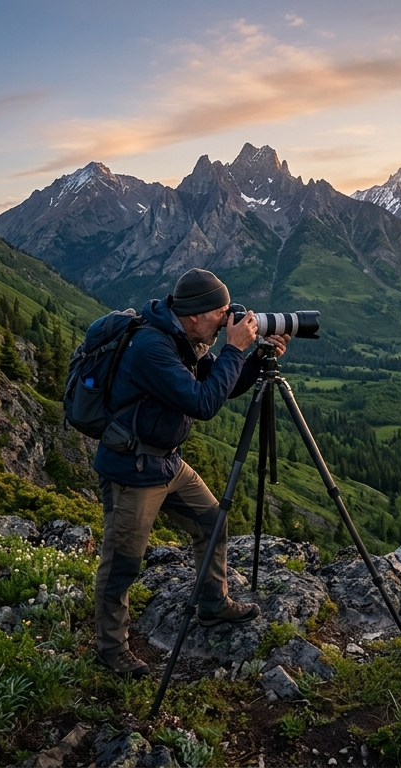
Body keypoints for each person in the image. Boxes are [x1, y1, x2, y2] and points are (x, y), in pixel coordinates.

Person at [92, 268, 290, 677]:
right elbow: (202, 404)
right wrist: (236, 350)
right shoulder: (152, 347)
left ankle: (212, 603)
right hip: (133, 470)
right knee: (122, 564)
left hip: (166, 461)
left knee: (212, 521)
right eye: (220, 312)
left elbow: (223, 384)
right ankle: (111, 651)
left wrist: (252, 357)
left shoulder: (188, 339)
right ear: (195, 314)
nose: (226, 320)